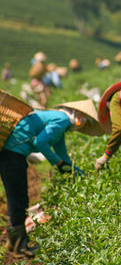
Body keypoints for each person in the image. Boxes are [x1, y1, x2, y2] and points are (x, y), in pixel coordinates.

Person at [0, 99, 103, 257]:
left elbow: (63, 155)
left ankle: (13, 242)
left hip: (12, 156)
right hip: (13, 156)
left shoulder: (59, 122)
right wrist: (58, 163)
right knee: (18, 198)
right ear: (80, 117)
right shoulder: (61, 120)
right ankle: (20, 247)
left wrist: (80, 174)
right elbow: (40, 142)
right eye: (85, 123)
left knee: (17, 197)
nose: (82, 127)